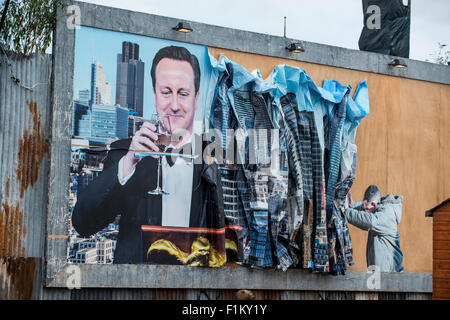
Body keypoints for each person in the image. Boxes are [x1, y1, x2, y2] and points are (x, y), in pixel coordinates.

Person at [72, 46, 224, 264]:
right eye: (166, 92)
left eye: (183, 93)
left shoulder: (211, 158)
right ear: (154, 94)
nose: (173, 105)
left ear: (196, 98)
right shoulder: (126, 153)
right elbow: (83, 224)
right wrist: (128, 163)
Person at [344, 185, 404, 272]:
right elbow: (363, 208)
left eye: (367, 210)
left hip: (391, 273)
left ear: (374, 204)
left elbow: (369, 221)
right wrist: (351, 205)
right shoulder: (376, 208)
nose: (366, 212)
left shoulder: (386, 215)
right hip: (378, 273)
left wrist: (345, 212)